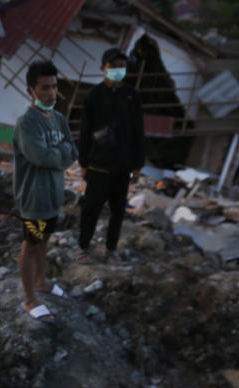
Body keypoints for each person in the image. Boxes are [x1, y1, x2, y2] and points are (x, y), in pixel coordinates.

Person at [12, 61, 78, 324]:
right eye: (44, 88)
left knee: (44, 241)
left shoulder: (59, 119)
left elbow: (72, 152)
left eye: (54, 87)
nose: (51, 93)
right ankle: (30, 299)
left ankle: (41, 281)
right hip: (34, 198)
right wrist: (60, 154)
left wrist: (59, 155)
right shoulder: (27, 123)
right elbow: (40, 156)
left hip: (53, 196)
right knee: (31, 245)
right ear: (31, 90)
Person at [78, 47, 145, 263]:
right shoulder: (94, 95)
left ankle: (111, 250)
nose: (118, 70)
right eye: (113, 66)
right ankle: (83, 247)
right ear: (102, 68)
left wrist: (137, 165)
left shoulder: (132, 96)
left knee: (118, 210)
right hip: (98, 163)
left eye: (121, 66)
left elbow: (138, 131)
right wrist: (83, 162)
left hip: (123, 165)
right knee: (91, 208)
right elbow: (85, 129)